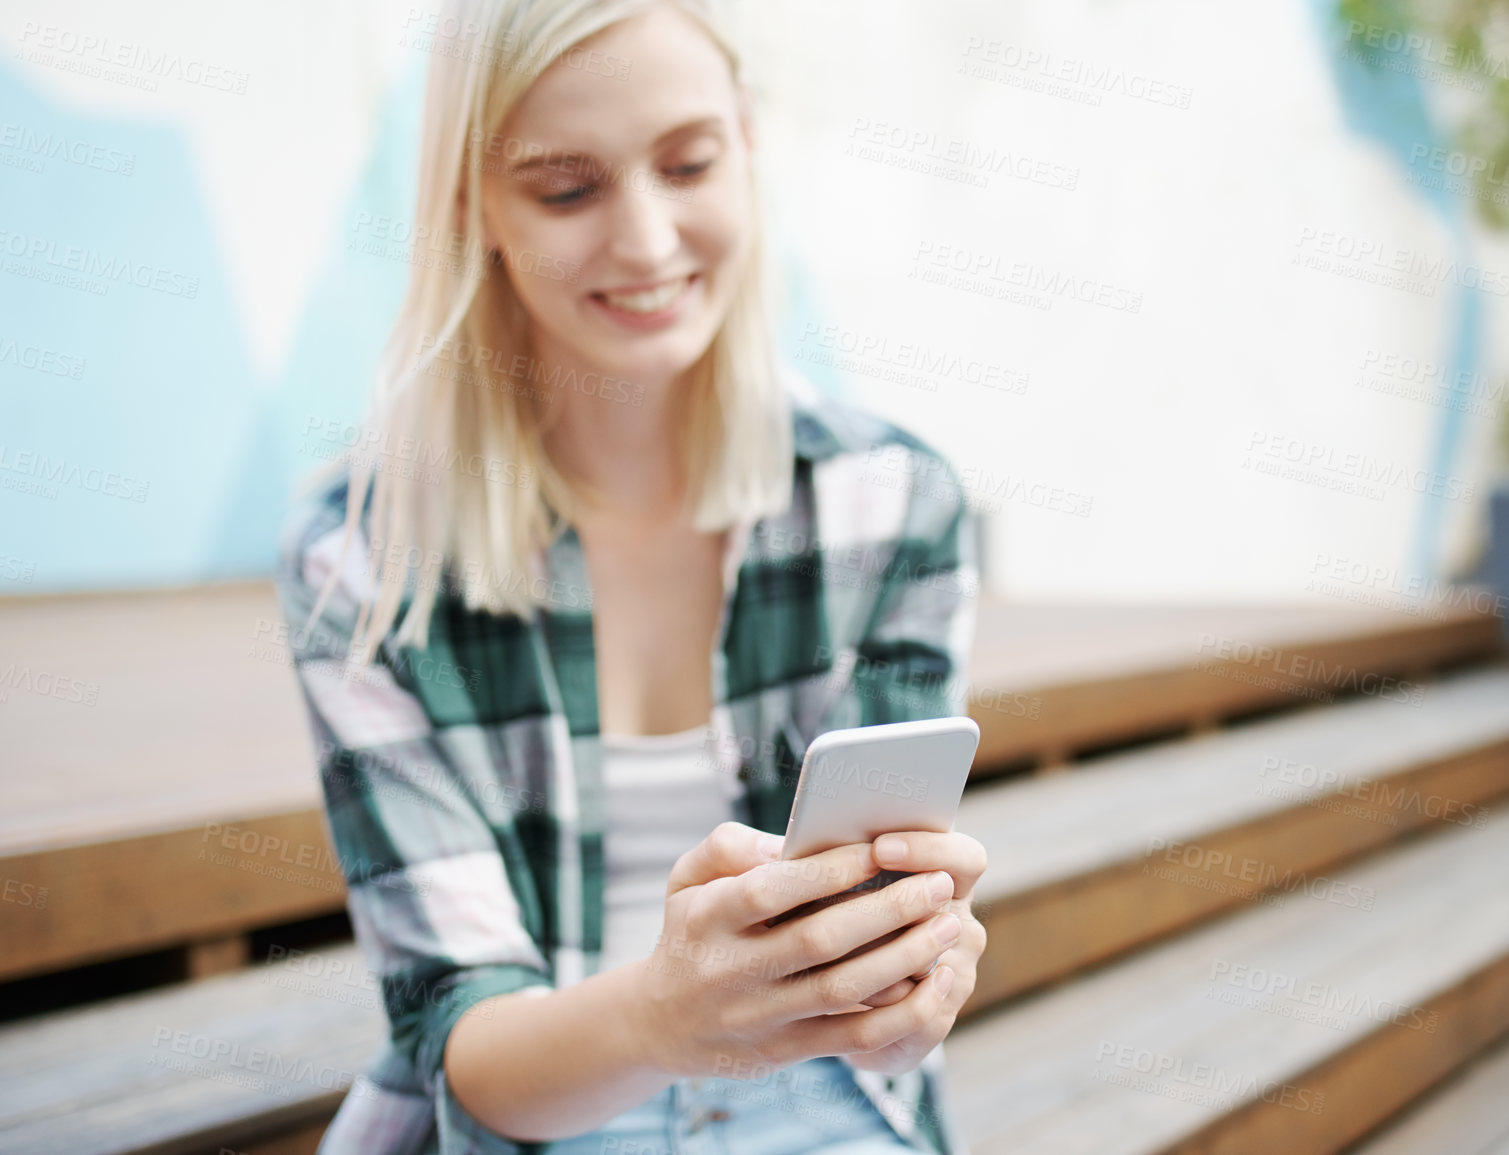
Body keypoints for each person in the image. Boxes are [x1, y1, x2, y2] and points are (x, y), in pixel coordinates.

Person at [272, 1, 987, 1151]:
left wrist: (905, 998)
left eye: (689, 162)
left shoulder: (890, 500)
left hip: (830, 1103)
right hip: (546, 1112)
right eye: (567, 189)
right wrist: (670, 1019)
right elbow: (465, 1048)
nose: (648, 242)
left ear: (749, 146)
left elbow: (884, 979)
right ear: (474, 211)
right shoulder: (357, 556)